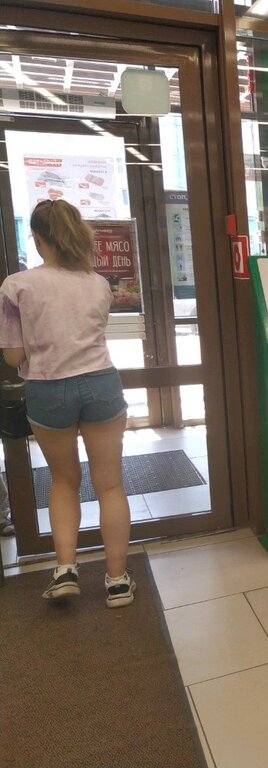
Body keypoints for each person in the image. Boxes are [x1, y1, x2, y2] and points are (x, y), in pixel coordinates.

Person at [0, 199, 134, 607]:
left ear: (38, 239)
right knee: (110, 484)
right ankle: (117, 581)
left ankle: (65, 570)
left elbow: (13, 355)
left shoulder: (16, 285)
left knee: (63, 481)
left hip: (48, 388)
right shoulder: (97, 282)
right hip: (100, 383)